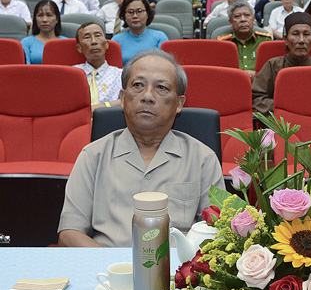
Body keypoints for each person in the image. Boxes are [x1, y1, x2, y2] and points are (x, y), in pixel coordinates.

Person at [57, 49, 225, 247]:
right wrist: (116, 269)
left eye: (161, 87)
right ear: (123, 97)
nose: (147, 96)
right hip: (106, 272)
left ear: (179, 103)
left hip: (176, 273)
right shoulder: (93, 156)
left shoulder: (203, 159)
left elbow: (217, 233)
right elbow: (69, 233)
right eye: (138, 85)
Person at [252, 12, 311, 115]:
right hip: (282, 124)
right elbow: (256, 97)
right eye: (295, 34)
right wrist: (286, 107)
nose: (301, 40)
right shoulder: (273, 65)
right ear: (285, 39)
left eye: (306, 34)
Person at [216, 0, 273, 77]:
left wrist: (256, 75)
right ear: (231, 22)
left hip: (259, 86)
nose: (243, 19)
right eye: (237, 16)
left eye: (247, 15)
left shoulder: (266, 41)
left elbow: (272, 72)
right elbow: (217, 72)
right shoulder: (222, 43)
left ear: (253, 20)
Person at [74, 23, 122, 111]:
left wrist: (99, 108)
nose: (93, 41)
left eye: (97, 36)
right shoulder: (72, 73)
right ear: (79, 48)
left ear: (106, 44)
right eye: (87, 37)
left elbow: (129, 100)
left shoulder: (120, 74)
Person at [112, 0, 168, 65]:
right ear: (124, 16)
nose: (135, 16)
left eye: (139, 11)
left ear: (147, 14)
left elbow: (165, 64)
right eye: (130, 12)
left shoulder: (160, 37)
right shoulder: (116, 40)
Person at [21, 0, 66, 64]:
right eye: (40, 15)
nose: (44, 20)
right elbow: (25, 69)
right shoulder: (26, 43)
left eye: (49, 15)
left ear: (57, 19)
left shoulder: (66, 42)